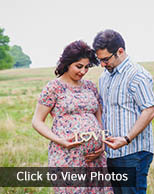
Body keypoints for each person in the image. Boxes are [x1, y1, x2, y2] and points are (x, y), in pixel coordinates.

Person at [32, 40, 113, 194]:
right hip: (67, 156)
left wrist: (101, 142)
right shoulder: (54, 87)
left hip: (95, 158)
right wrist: (61, 140)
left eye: (87, 67)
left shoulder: (90, 86)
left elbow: (98, 116)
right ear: (67, 63)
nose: (83, 71)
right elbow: (37, 121)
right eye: (79, 66)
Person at [92, 29, 154, 194]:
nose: (102, 64)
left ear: (120, 51)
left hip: (133, 153)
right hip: (111, 153)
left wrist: (126, 139)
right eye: (99, 60)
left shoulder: (138, 75)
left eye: (105, 59)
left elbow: (149, 111)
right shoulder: (104, 77)